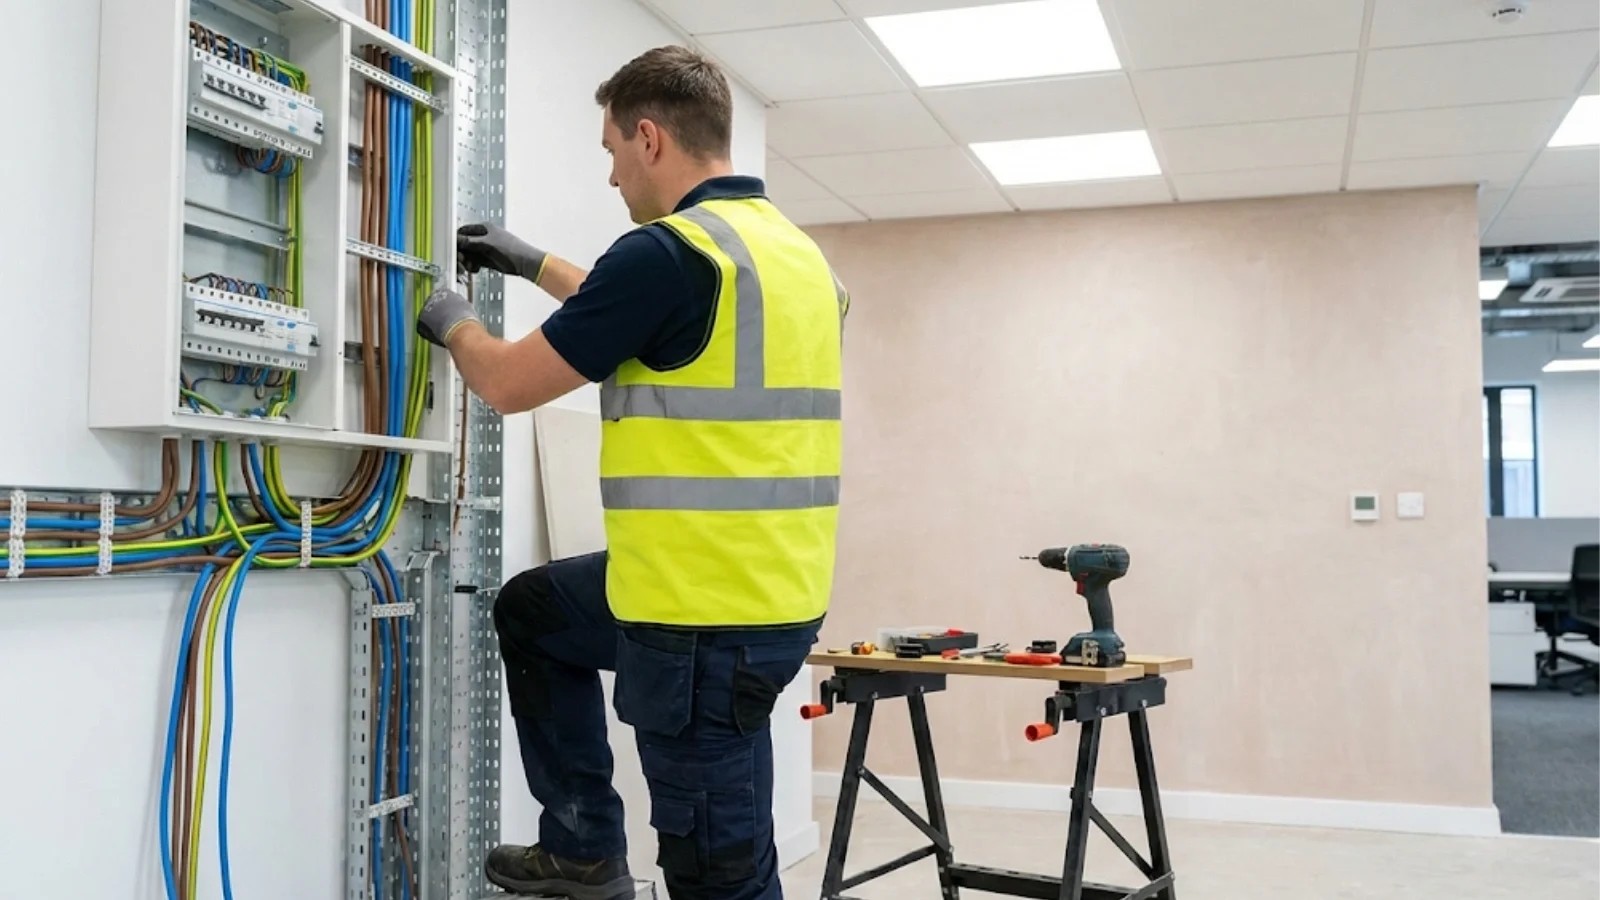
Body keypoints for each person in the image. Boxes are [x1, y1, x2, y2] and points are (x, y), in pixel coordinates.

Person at [415, 45, 848, 900]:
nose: (612, 177)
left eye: (612, 152)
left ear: (648, 139)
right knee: (534, 612)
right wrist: (529, 260)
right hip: (769, 598)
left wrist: (455, 322)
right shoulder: (796, 259)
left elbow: (505, 382)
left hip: (697, 626)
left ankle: (606, 855)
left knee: (718, 874)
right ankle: (581, 848)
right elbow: (648, 317)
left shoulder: (667, 253)